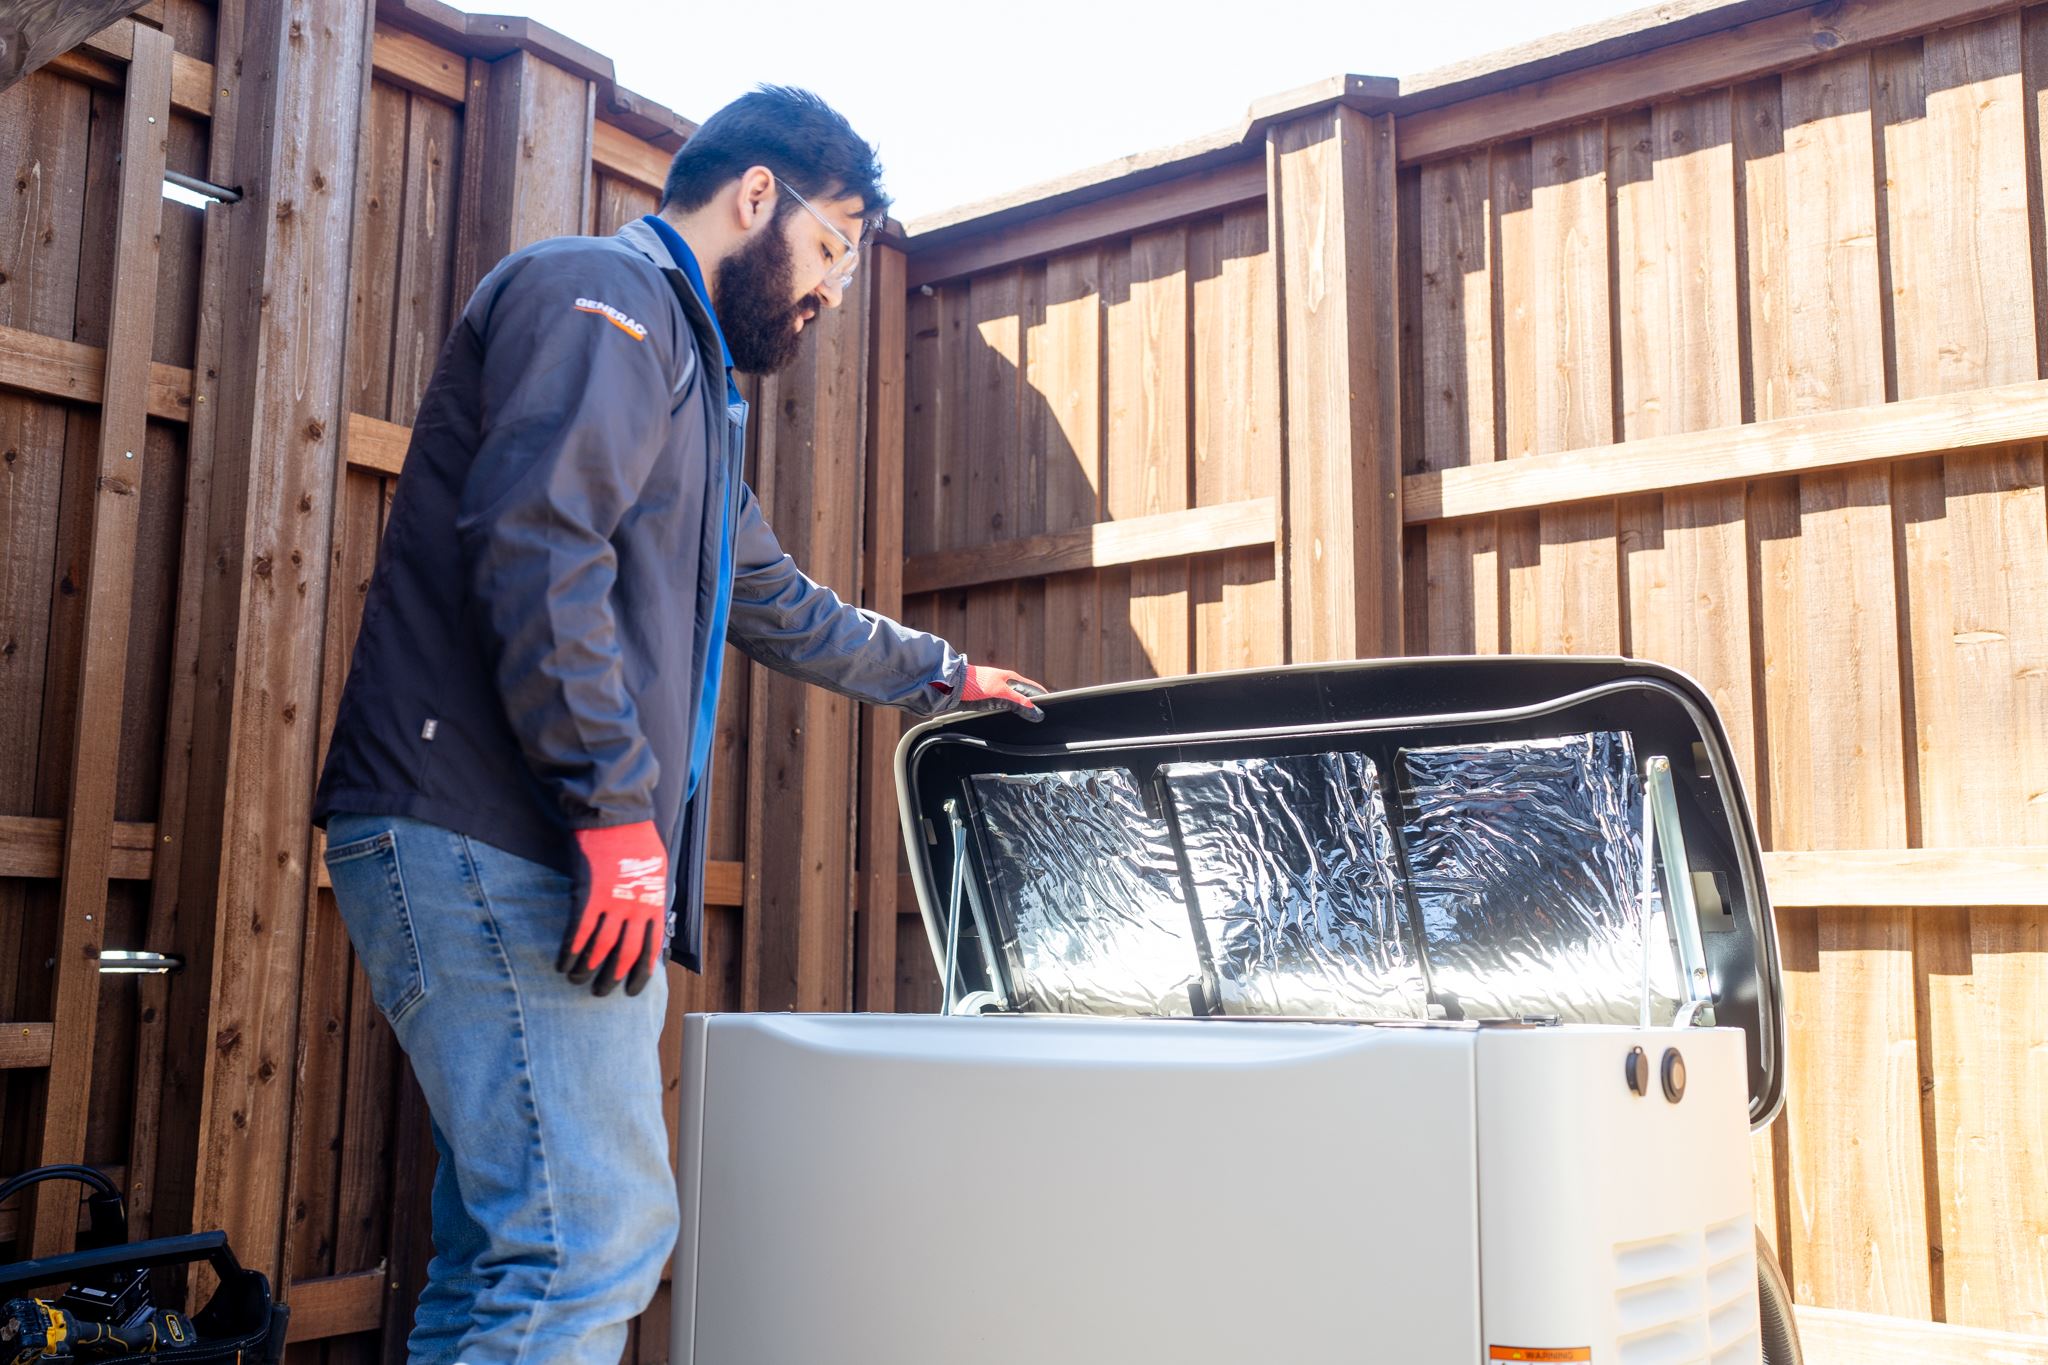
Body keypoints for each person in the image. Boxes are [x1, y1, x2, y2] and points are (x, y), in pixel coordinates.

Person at [311, 86, 1045, 1365]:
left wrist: (942, 675)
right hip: (504, 841)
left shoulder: (687, 386)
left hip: (511, 843)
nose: (827, 294)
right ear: (757, 195)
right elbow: (536, 544)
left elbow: (774, 599)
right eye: (829, 251)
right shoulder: (605, 298)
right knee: (592, 1234)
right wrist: (614, 818)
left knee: (511, 1254)